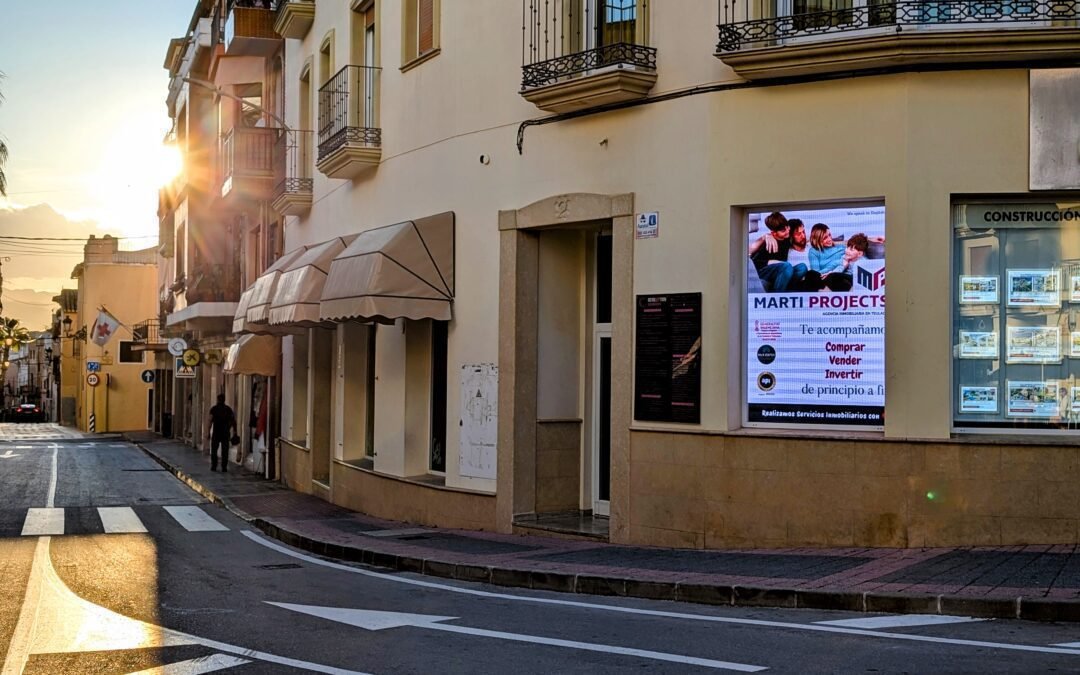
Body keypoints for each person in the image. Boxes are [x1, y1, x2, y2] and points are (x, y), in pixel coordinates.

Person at [808, 225, 870, 292]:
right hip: (826, 275)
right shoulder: (813, 251)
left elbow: (859, 247)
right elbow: (835, 266)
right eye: (825, 238)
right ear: (817, 239)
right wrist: (829, 272)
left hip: (843, 277)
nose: (829, 239)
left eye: (829, 235)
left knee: (833, 277)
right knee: (811, 274)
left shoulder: (841, 248)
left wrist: (871, 240)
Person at [749, 212, 798, 292]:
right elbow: (754, 262)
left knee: (802, 267)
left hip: (780, 270)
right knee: (787, 266)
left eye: (787, 227)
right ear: (774, 233)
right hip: (763, 272)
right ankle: (776, 296)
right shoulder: (768, 243)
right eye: (783, 231)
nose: (787, 231)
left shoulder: (787, 236)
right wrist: (772, 262)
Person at [208, 394, 237, 473]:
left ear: (217, 400)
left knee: (214, 450)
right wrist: (234, 430)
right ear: (224, 400)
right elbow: (233, 421)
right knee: (225, 451)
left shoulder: (214, 409)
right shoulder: (228, 409)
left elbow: (210, 421)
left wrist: (208, 432)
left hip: (216, 433)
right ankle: (224, 467)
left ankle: (214, 466)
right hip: (225, 433)